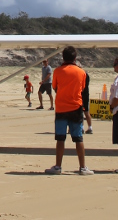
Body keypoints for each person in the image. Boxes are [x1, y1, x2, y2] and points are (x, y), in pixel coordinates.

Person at [44, 46, 92, 175]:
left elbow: (55, 87)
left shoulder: (58, 71)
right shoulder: (81, 72)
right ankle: (82, 167)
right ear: (75, 58)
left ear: (63, 57)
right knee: (78, 138)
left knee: (60, 139)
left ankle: (58, 166)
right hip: (76, 107)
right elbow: (82, 89)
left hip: (61, 108)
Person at [80, 68, 93, 134]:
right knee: (86, 111)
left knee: (81, 111)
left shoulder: (81, 75)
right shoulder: (86, 75)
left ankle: (82, 127)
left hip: (81, 95)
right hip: (86, 95)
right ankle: (90, 127)